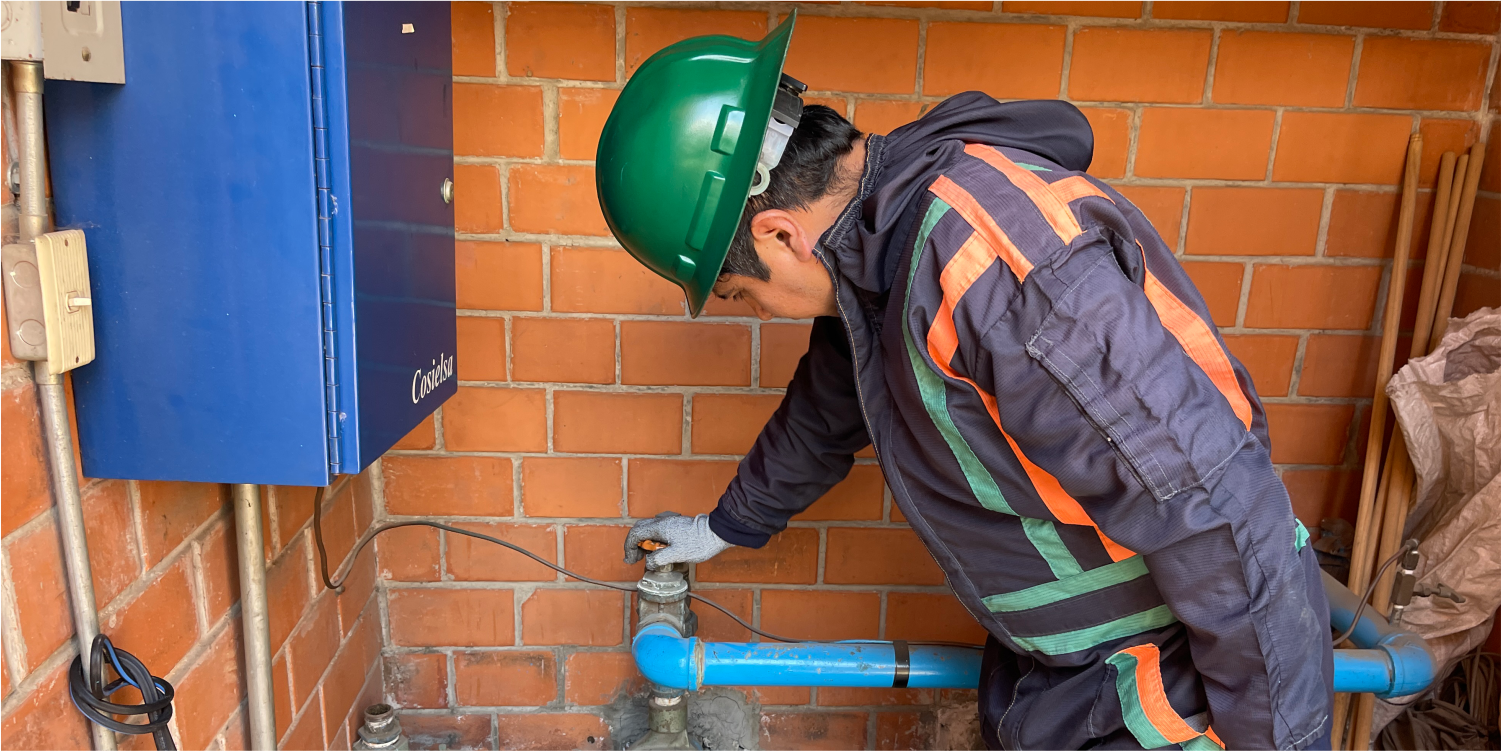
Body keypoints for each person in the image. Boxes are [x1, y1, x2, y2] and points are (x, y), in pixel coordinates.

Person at [595, 12, 1333, 750]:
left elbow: (1222, 516)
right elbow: (825, 410)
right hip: (1068, 673)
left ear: (779, 234)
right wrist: (724, 526)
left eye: (740, 295)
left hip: (1159, 685)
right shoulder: (880, 254)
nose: (757, 312)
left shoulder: (1002, 269)